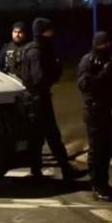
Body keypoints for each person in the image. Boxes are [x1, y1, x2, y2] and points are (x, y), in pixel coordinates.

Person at [20, 17, 84, 181]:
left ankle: (41, 171)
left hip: (36, 98)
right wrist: (55, 71)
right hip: (37, 99)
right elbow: (39, 77)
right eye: (49, 30)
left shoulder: (35, 48)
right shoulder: (37, 51)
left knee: (40, 137)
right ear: (43, 32)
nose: (52, 33)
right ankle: (59, 170)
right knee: (47, 136)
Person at [77, 31, 112, 200]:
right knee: (97, 149)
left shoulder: (108, 61)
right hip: (93, 110)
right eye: (102, 44)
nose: (106, 47)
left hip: (105, 109)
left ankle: (104, 183)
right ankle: (97, 184)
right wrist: (104, 74)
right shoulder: (88, 61)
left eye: (107, 44)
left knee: (108, 148)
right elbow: (84, 85)